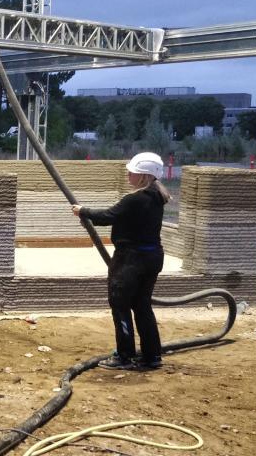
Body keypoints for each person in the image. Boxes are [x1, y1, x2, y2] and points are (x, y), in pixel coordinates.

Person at [70, 152, 172, 370]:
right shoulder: (157, 196)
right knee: (142, 306)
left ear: (143, 175)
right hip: (152, 257)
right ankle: (151, 356)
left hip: (130, 261)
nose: (128, 174)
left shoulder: (135, 199)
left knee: (120, 305)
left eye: (132, 171)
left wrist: (83, 211)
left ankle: (124, 356)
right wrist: (88, 216)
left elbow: (108, 216)